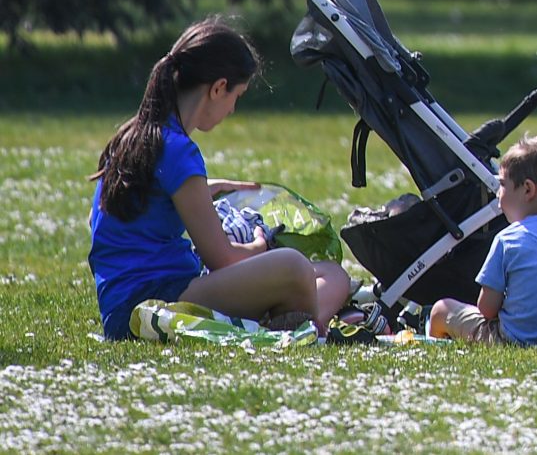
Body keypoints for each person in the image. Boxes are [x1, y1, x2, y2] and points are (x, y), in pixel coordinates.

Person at [90, 18, 354, 341]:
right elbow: (222, 258)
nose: (232, 109)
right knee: (295, 267)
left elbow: (105, 216)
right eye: (236, 95)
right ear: (218, 88)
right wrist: (260, 246)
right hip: (153, 306)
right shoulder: (178, 150)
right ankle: (293, 324)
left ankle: (290, 320)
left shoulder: (132, 137)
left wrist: (203, 190)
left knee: (332, 274)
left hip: (122, 307)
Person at [428, 135, 537, 344]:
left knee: (442, 309)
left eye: (502, 184)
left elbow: (486, 309)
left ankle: (437, 343)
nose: (498, 193)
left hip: (513, 339)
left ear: (528, 189)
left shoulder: (508, 239)